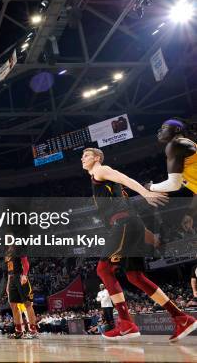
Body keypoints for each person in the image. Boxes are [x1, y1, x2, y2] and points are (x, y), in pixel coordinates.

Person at [81, 147, 196, 341]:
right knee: (135, 276)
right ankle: (181, 318)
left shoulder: (100, 170)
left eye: (86, 155)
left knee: (103, 270)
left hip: (122, 224)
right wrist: (151, 238)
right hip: (131, 225)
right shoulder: (112, 189)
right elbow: (131, 215)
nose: (82, 158)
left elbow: (124, 177)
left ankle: (126, 323)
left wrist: (145, 192)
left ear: (97, 157)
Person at [147, 119, 196, 194]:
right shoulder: (185, 144)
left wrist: (150, 187)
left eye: (164, 127)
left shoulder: (175, 144)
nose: (159, 130)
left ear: (177, 129)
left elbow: (174, 185)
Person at [4, 250, 37, 339]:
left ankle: (33, 331)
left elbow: (25, 263)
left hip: (20, 277)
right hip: (12, 280)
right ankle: (19, 331)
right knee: (13, 305)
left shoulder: (18, 248)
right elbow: (9, 270)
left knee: (27, 304)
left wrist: (24, 275)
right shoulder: (7, 253)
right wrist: (7, 284)